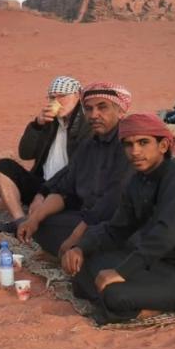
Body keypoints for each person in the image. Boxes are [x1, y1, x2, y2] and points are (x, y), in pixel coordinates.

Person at [59, 113, 175, 324]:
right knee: (83, 267)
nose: (135, 151)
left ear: (163, 145)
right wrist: (80, 247)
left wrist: (121, 272)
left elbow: (168, 234)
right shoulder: (137, 181)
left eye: (143, 143)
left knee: (114, 294)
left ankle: (145, 307)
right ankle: (133, 302)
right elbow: (116, 229)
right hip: (159, 264)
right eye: (128, 145)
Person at [17, 81, 132, 257]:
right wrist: (34, 219)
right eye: (89, 109)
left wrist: (76, 236)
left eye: (102, 108)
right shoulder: (87, 146)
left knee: (94, 239)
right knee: (42, 225)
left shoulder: (129, 146)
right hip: (86, 217)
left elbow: (112, 201)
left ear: (120, 111)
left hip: (116, 221)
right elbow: (64, 188)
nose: (94, 115)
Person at [0, 75, 88, 234]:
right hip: (42, 182)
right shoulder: (49, 122)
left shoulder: (86, 126)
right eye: (52, 97)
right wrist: (36, 125)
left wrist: (44, 193)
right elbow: (25, 153)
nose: (56, 102)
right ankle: (20, 221)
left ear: (77, 96)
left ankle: (36, 222)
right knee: (3, 166)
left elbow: (75, 169)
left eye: (62, 96)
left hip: (66, 189)